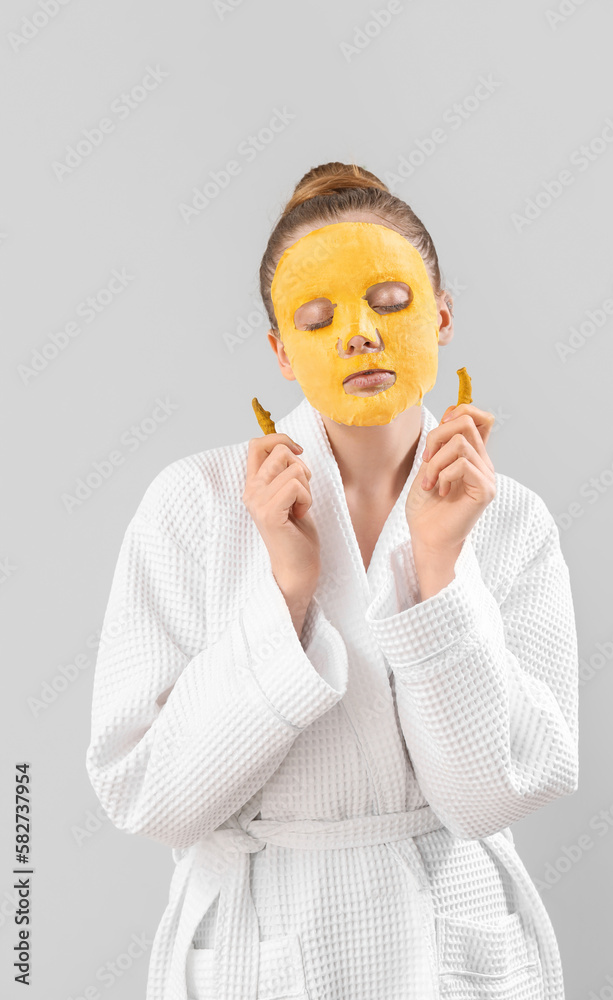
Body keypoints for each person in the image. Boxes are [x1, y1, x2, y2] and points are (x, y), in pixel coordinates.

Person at [85, 161, 579, 1000]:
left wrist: (438, 572)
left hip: (448, 934)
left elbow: (490, 799)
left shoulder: (513, 520)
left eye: (390, 302)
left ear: (444, 315)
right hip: (265, 935)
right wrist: (284, 592)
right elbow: (149, 799)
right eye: (318, 318)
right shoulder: (194, 506)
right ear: (281, 351)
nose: (359, 333)